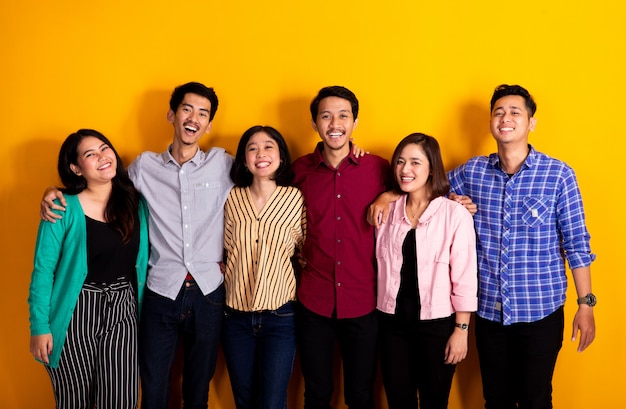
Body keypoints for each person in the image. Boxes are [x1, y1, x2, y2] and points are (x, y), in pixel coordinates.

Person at [40, 82, 234, 409]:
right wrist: (52, 191)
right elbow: (101, 185)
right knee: (153, 387)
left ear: (209, 125)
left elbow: (265, 181)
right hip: (160, 291)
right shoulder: (144, 167)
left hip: (209, 292)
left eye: (203, 113)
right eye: (187, 109)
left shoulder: (224, 165)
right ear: (172, 114)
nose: (194, 118)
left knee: (198, 388)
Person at [446, 84, 596, 408]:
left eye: (515, 112)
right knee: (495, 399)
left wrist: (586, 304)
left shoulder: (558, 175)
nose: (506, 117)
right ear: (490, 122)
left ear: (531, 122)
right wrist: (452, 201)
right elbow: (425, 189)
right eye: (499, 112)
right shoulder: (472, 172)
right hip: (488, 313)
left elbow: (577, 243)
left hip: (540, 313)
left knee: (535, 399)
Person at [29, 129, 149, 409]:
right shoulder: (61, 207)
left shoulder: (136, 203)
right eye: (90, 154)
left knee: (121, 400)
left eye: (105, 148)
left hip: (123, 310)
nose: (102, 157)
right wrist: (39, 327)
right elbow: (43, 270)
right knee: (74, 401)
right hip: (76, 311)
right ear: (76, 168)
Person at [292, 85, 390, 409]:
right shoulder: (297, 171)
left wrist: (386, 195)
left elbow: (417, 191)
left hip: (363, 300)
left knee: (361, 396)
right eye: (326, 116)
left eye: (343, 115)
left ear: (355, 122)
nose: (335, 123)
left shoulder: (378, 168)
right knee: (316, 394)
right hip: (313, 299)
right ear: (315, 124)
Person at [376, 133, 477, 409]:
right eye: (400, 162)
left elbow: (465, 278)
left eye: (415, 162)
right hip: (392, 325)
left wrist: (461, 330)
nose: (405, 169)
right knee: (399, 402)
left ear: (432, 167)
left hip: (437, 327)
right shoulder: (386, 211)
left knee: (435, 402)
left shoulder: (454, 214)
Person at [222, 125, 307, 409]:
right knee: (244, 400)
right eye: (252, 148)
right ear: (244, 158)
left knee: (273, 402)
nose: (261, 153)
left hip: (280, 316)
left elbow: (308, 250)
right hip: (235, 317)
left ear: (281, 155)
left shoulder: (295, 199)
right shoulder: (231, 198)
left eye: (268, 146)